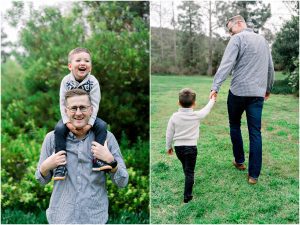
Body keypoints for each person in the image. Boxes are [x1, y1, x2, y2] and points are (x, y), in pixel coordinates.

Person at [35, 89, 129, 224]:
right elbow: (41, 181)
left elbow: (122, 182)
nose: (78, 113)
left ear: (91, 110)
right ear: (66, 111)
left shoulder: (107, 139)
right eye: (73, 108)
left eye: (83, 107)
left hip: (94, 218)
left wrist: (111, 162)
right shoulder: (52, 139)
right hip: (61, 218)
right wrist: (45, 167)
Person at [210, 15, 274, 184]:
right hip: (257, 94)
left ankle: (239, 161)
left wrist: (215, 87)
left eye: (231, 30)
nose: (231, 34)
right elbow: (270, 68)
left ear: (239, 24)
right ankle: (253, 176)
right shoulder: (263, 41)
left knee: (234, 125)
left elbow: (226, 64)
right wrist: (268, 88)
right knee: (255, 132)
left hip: (238, 92)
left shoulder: (237, 39)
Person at [54, 47, 110, 181]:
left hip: (89, 117)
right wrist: (67, 122)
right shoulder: (66, 81)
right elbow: (62, 103)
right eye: (78, 60)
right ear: (70, 66)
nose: (82, 63)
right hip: (69, 117)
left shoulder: (93, 82)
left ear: (90, 67)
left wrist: (89, 125)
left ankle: (98, 160)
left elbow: (95, 104)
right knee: (59, 129)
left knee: (102, 126)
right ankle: (60, 166)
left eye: (87, 60)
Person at [166, 88, 216, 203]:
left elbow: (169, 133)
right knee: (189, 172)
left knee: (186, 167)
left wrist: (168, 147)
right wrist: (212, 100)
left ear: (179, 103)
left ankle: (189, 181)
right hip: (191, 148)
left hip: (178, 148)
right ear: (194, 104)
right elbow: (206, 110)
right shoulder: (196, 115)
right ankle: (187, 196)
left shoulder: (174, 116)